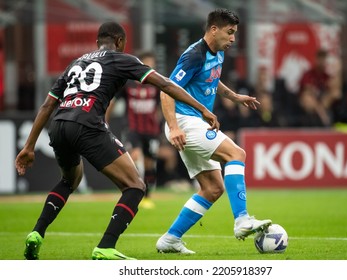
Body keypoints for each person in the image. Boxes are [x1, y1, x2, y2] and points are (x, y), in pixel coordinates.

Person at [15, 21, 219, 260]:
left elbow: (48, 104)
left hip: (59, 124)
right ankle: (106, 246)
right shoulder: (121, 59)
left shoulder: (76, 63)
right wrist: (202, 108)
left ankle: (37, 233)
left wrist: (29, 147)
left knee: (69, 181)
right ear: (120, 42)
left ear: (96, 42)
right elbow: (165, 84)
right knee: (135, 186)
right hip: (87, 124)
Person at [156, 8, 272, 254]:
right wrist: (174, 127)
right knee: (236, 154)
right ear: (213, 29)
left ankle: (170, 239)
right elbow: (166, 89)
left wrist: (234, 96)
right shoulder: (194, 55)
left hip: (193, 123)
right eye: (230, 33)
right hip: (185, 122)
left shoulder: (217, 52)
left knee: (213, 189)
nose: (233, 39)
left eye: (235, 34)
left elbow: (211, 79)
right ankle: (242, 220)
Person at [106, 51, 160, 209]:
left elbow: (161, 105)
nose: (150, 66)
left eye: (152, 63)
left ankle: (148, 197)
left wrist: (162, 122)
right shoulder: (128, 83)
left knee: (150, 164)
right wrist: (105, 121)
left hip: (151, 130)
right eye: (147, 63)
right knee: (135, 158)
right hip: (132, 128)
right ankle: (135, 191)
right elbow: (112, 101)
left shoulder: (156, 84)